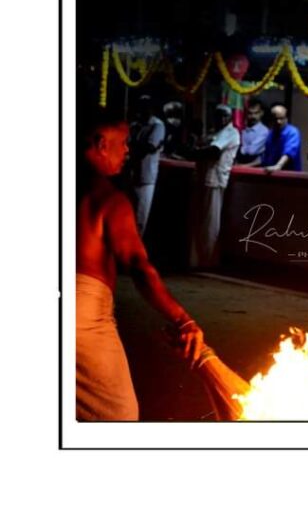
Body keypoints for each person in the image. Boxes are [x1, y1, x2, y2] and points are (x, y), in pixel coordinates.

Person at [77, 108, 204, 421]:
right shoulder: (107, 199)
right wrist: (183, 320)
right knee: (119, 416)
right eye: (123, 142)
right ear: (101, 143)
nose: (127, 150)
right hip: (82, 319)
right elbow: (139, 267)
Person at [187, 105, 240, 268]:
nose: (221, 119)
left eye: (224, 116)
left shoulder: (231, 132)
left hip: (215, 180)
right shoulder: (213, 132)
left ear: (230, 118)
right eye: (218, 115)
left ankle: (207, 260)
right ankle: (197, 259)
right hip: (203, 178)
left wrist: (193, 152)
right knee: (199, 220)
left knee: (210, 222)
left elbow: (213, 152)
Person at [129, 95, 165, 236]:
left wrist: (136, 146)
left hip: (146, 177)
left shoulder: (157, 125)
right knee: (130, 215)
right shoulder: (135, 125)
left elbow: (149, 148)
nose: (142, 109)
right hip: (133, 174)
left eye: (146, 106)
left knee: (140, 218)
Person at [261, 104, 302, 172]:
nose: (279, 122)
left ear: (286, 118)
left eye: (281, 118)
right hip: (272, 174)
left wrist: (278, 166)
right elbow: (266, 156)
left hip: (290, 176)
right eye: (276, 119)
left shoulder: (293, 132)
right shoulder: (270, 134)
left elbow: (289, 153)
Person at [236, 98, 270, 165]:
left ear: (262, 113)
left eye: (256, 113)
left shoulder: (264, 131)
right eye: (250, 113)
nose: (253, 116)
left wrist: (240, 149)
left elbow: (251, 151)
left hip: (256, 167)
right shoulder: (243, 129)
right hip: (241, 165)